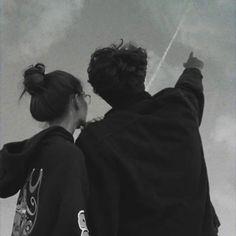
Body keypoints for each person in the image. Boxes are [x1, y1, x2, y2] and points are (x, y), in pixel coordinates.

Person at [76, 41, 220, 236]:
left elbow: (100, 218)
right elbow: (190, 90)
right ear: (141, 75)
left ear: (100, 91)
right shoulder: (179, 108)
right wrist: (193, 67)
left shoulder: (95, 142)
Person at [0, 64, 90, 236]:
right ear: (76, 99)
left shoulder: (32, 154)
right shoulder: (67, 154)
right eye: (85, 96)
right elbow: (71, 223)